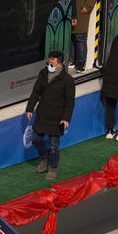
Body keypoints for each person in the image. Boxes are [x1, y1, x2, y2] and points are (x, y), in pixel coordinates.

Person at [26, 51, 75, 181]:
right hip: (42, 113)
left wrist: (66, 118)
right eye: (49, 61)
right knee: (36, 139)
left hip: (57, 118)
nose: (49, 64)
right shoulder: (43, 74)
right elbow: (36, 92)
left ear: (59, 65)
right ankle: (44, 158)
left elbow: (70, 101)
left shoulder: (67, 80)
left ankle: (53, 167)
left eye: (52, 63)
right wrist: (30, 108)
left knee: (54, 146)